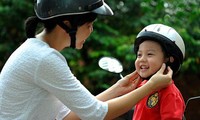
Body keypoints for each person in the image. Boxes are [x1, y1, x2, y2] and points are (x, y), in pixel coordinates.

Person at [0, 1, 172, 120]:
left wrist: (117, 89)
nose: (91, 31)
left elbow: (68, 116)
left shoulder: (36, 51)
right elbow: (98, 115)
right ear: (67, 25)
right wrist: (151, 86)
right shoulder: (44, 59)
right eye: (88, 25)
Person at [132, 24, 186, 120]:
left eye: (149, 54)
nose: (142, 59)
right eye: (139, 55)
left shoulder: (170, 93)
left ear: (168, 59)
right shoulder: (141, 86)